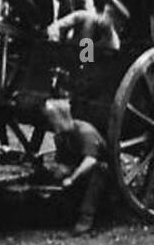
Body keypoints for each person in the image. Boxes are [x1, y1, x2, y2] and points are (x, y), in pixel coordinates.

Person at [41, 97, 109, 235]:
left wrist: (72, 178)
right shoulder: (60, 136)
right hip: (80, 170)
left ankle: (86, 217)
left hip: (103, 175)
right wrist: (59, 172)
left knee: (99, 170)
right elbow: (63, 161)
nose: (50, 123)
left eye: (52, 118)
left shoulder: (86, 132)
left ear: (62, 117)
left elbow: (91, 160)